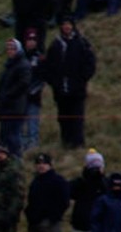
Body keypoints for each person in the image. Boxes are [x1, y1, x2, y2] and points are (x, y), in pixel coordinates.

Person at [39, 18, 96, 147]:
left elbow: (90, 63)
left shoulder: (81, 43)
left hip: (77, 90)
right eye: (64, 24)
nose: (66, 27)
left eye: (69, 24)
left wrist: (82, 79)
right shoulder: (55, 45)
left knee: (77, 117)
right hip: (60, 90)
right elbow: (48, 66)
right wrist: (53, 82)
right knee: (63, 117)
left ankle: (78, 143)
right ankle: (66, 142)